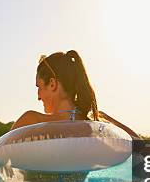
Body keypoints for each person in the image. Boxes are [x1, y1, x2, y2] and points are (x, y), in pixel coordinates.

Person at [12, 50, 140, 138]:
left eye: (39, 87)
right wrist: (104, 118)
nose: (38, 97)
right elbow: (142, 148)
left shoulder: (31, 121)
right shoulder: (95, 127)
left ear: (52, 84)